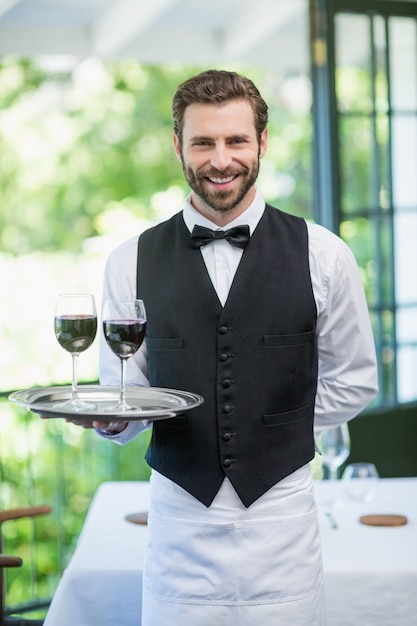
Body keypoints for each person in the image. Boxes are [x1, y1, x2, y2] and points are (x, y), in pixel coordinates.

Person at [81, 70, 378, 625]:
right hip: (179, 536)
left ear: (262, 142)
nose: (221, 160)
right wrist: (109, 421)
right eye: (203, 142)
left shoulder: (325, 255)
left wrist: (272, 424)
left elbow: (355, 380)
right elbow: (125, 395)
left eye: (236, 140)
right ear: (179, 146)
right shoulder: (129, 260)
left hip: (283, 534)